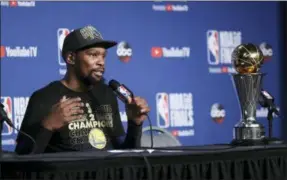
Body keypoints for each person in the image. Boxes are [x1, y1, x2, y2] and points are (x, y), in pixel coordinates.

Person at [15, 25, 150, 155]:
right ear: (71, 58)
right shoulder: (44, 97)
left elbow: (123, 156)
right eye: (93, 55)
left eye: (103, 56)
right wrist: (48, 125)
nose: (101, 62)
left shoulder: (106, 94)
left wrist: (135, 124)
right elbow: (23, 156)